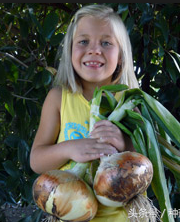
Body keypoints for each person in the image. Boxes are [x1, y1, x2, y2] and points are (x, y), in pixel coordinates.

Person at [30, 4, 139, 222]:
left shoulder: (130, 102)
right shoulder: (58, 99)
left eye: (106, 43)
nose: (94, 50)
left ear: (121, 55)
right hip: (68, 213)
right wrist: (68, 149)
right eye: (83, 41)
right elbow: (36, 160)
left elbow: (148, 162)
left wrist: (123, 143)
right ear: (70, 49)